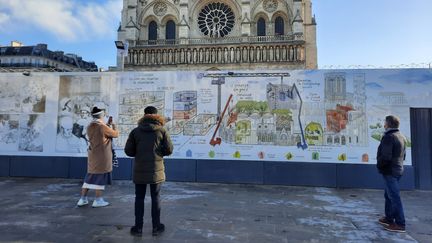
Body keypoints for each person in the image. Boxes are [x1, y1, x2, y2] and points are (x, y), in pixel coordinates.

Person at [124, 106, 173, 237]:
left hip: (140, 170)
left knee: (139, 198)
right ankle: (156, 227)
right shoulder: (162, 131)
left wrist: (139, 152)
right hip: (156, 170)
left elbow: (128, 151)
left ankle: (138, 228)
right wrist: (158, 153)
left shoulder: (135, 131)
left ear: (144, 115)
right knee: (156, 197)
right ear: (157, 115)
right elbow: (169, 150)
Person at [76, 107, 119, 208]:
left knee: (90, 177)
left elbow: (101, 134)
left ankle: (82, 199)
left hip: (93, 155)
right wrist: (113, 125)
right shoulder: (102, 127)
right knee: (100, 177)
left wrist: (107, 124)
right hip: (102, 156)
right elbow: (115, 134)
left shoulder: (90, 125)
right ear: (102, 115)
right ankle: (98, 200)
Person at [376, 115, 406, 233]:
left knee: (394, 197)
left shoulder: (389, 137)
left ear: (388, 124)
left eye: (384, 122)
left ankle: (400, 223)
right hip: (398, 169)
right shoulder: (401, 136)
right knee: (388, 195)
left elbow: (386, 157)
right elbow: (403, 155)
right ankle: (389, 218)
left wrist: (379, 165)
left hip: (390, 171)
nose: (384, 124)